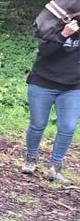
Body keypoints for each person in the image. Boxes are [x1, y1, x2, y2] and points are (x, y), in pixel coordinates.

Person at [21, 18, 80, 183]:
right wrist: (64, 35)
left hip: (73, 87)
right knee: (38, 124)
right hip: (43, 83)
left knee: (68, 127)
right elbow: (45, 50)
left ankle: (54, 168)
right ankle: (31, 159)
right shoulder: (52, 23)